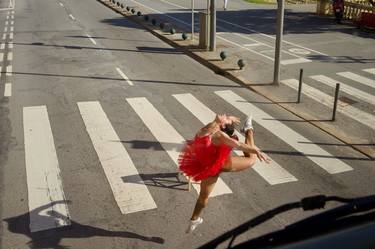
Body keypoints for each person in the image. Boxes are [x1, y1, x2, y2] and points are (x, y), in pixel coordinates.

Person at [178, 114, 270, 233]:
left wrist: (227, 119)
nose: (224, 116)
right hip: (219, 164)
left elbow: (218, 121)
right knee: (251, 159)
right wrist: (255, 150)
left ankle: (194, 219)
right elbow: (239, 145)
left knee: (203, 196)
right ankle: (248, 130)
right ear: (223, 130)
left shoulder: (208, 128)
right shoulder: (220, 136)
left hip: (203, 164)